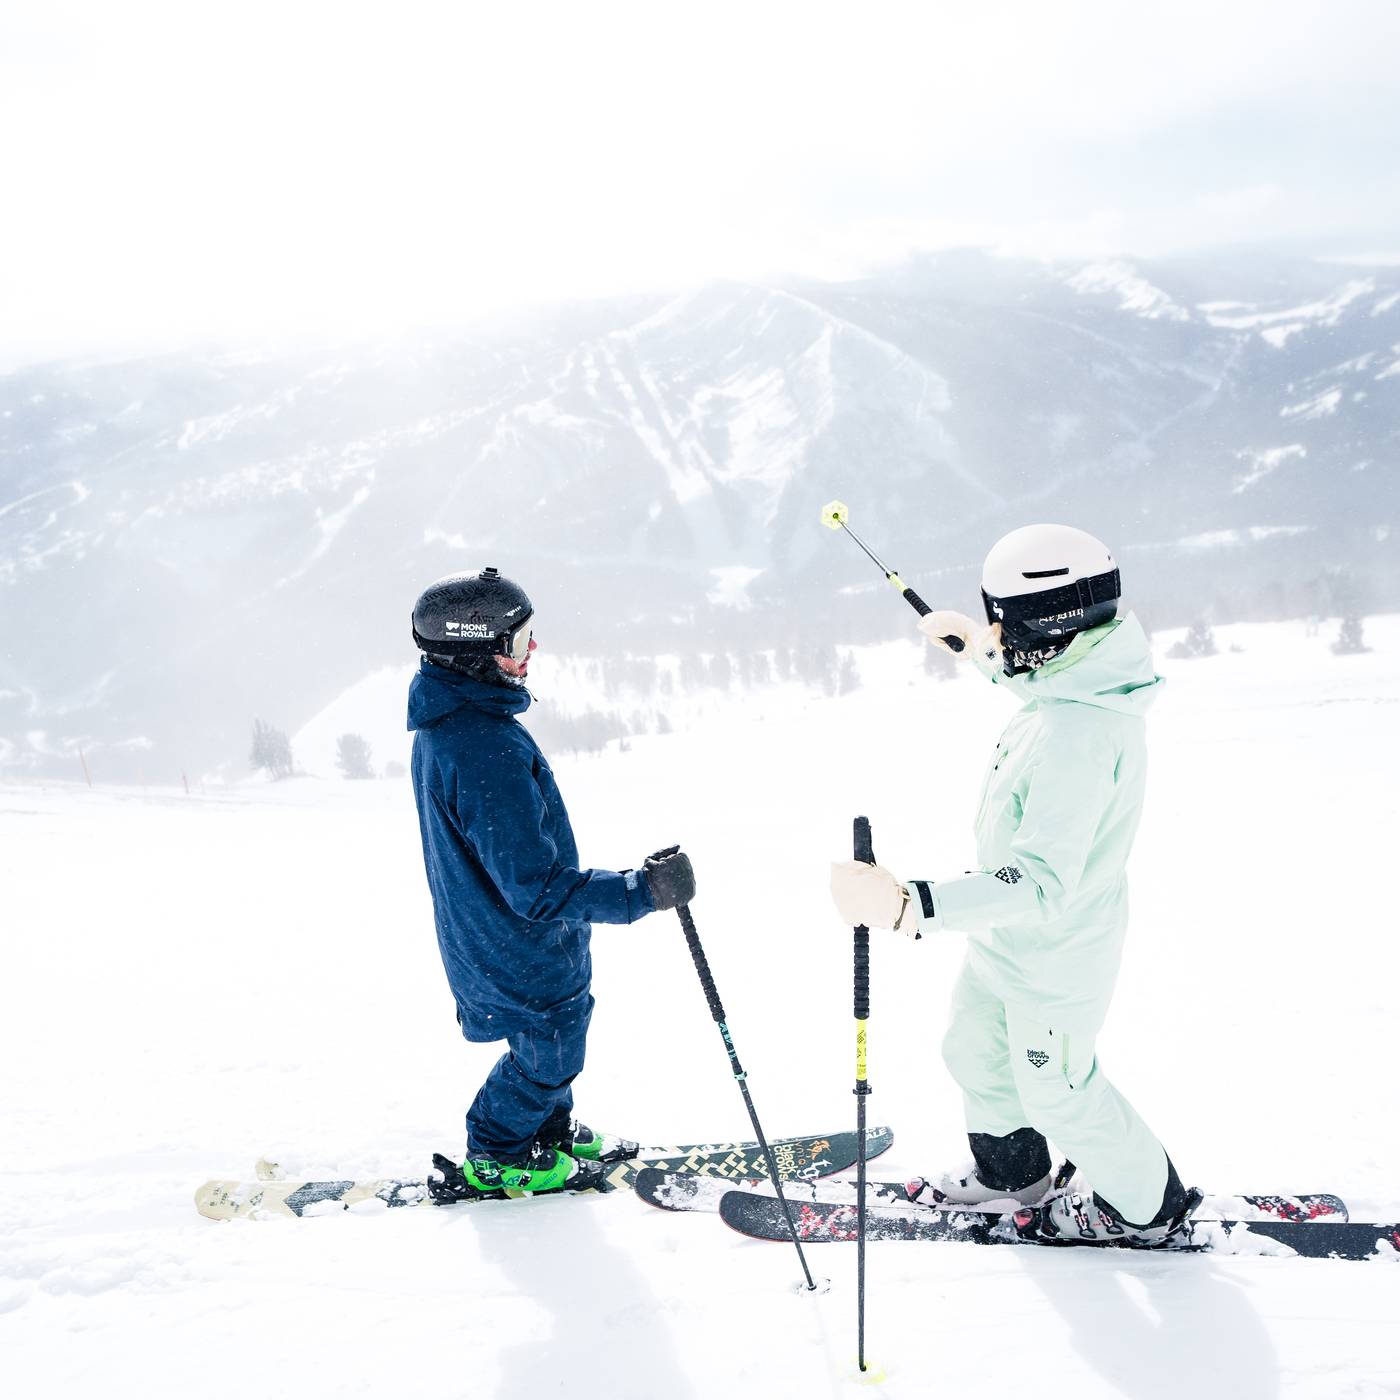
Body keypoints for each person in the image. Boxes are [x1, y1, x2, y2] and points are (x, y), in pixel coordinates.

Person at [830, 524, 1200, 1244]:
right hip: (1007, 936)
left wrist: (913, 904)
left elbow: (1039, 883)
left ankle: (1149, 1210)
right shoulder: (1079, 676)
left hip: (1055, 950)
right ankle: (1014, 1176)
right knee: (974, 1050)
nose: (997, 630)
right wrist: (981, 654)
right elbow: (1049, 677)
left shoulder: (1078, 738)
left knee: (1058, 1092)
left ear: (1050, 623)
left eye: (1006, 619)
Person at [408, 566, 694, 1198]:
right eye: (516, 640)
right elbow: (535, 887)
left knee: (556, 1037)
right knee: (550, 1050)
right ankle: (495, 1151)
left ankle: (546, 1131)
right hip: (517, 943)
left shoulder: (452, 722)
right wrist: (641, 892)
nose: (531, 648)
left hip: (500, 933)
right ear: (477, 653)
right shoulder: (484, 747)